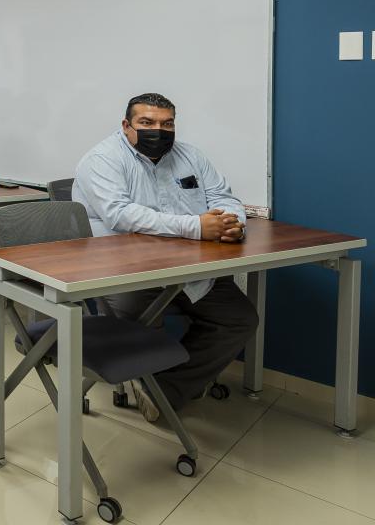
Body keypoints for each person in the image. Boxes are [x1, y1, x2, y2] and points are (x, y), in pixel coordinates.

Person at [72, 92, 258, 424]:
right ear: (127, 126)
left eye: (166, 123)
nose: (158, 130)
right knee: (144, 327)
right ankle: (157, 385)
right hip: (123, 270)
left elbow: (222, 196)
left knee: (238, 318)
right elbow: (120, 215)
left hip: (188, 266)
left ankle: (166, 389)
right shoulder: (101, 159)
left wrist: (233, 224)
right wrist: (198, 227)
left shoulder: (190, 156)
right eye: (147, 123)